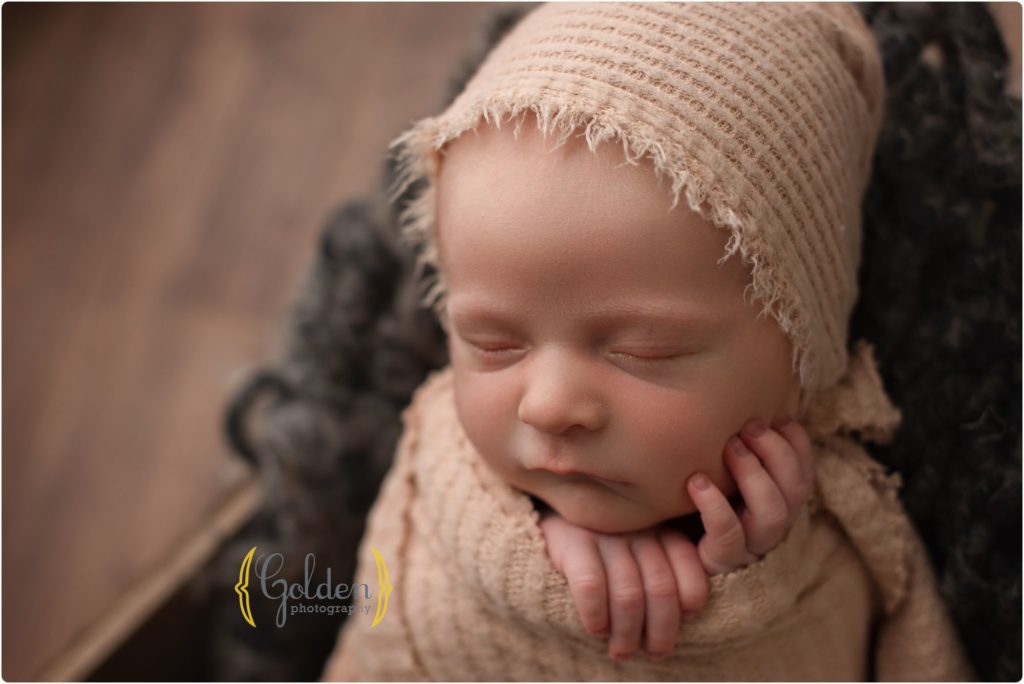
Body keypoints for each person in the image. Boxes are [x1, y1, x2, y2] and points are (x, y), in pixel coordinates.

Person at [320, 3, 974, 680]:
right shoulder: (438, 461)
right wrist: (530, 552)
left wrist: (749, 586)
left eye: (643, 352)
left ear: (803, 353)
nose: (547, 407)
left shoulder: (845, 541)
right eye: (492, 343)